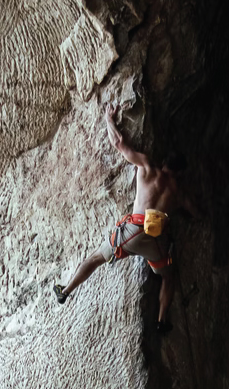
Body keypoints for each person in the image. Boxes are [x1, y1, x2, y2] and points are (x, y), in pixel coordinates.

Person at [54, 103, 198, 333]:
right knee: (168, 278)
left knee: (95, 259)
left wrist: (109, 119)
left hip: (131, 232)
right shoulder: (178, 193)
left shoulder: (148, 168)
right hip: (156, 241)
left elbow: (119, 143)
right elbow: (195, 212)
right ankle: (161, 321)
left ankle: (66, 291)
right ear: (179, 172)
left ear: (164, 163)